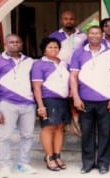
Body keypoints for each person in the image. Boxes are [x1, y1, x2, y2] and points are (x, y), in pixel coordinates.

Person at [70, 25, 110, 175]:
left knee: (105, 133)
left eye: (97, 33)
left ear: (102, 35)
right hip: (85, 100)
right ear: (87, 35)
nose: (94, 36)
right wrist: (76, 97)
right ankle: (88, 163)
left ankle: (104, 163)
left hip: (105, 100)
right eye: (91, 33)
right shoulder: (78, 53)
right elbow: (73, 77)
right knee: (87, 133)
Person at [0, 34, 37, 177]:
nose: (15, 44)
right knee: (4, 136)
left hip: (28, 104)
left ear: (22, 44)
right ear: (5, 44)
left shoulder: (29, 61)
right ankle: (5, 166)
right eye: (11, 42)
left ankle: (22, 164)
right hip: (7, 103)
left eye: (18, 42)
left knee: (27, 136)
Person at [31, 37, 71, 171]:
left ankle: (57, 155)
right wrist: (41, 106)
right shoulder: (39, 64)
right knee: (48, 128)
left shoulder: (63, 64)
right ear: (44, 50)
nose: (54, 49)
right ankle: (49, 157)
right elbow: (36, 87)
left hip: (64, 100)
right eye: (50, 47)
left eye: (56, 47)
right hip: (49, 99)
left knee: (60, 128)